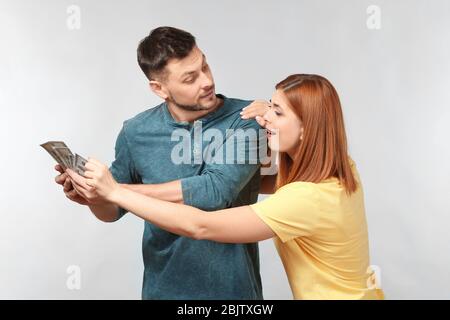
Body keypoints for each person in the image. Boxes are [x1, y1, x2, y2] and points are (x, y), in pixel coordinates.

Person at [67, 74, 385, 300]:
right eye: (269, 106)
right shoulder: (341, 167)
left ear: (307, 129)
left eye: (277, 112)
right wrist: (100, 193)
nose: (264, 118)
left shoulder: (306, 200)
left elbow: (201, 225)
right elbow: (278, 177)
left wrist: (117, 191)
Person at [55, 26, 265, 299]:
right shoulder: (135, 131)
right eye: (190, 78)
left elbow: (215, 191)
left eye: (205, 66)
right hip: (162, 290)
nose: (206, 81)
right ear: (159, 88)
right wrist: (90, 195)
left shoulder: (248, 118)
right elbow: (111, 212)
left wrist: (115, 190)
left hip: (233, 294)